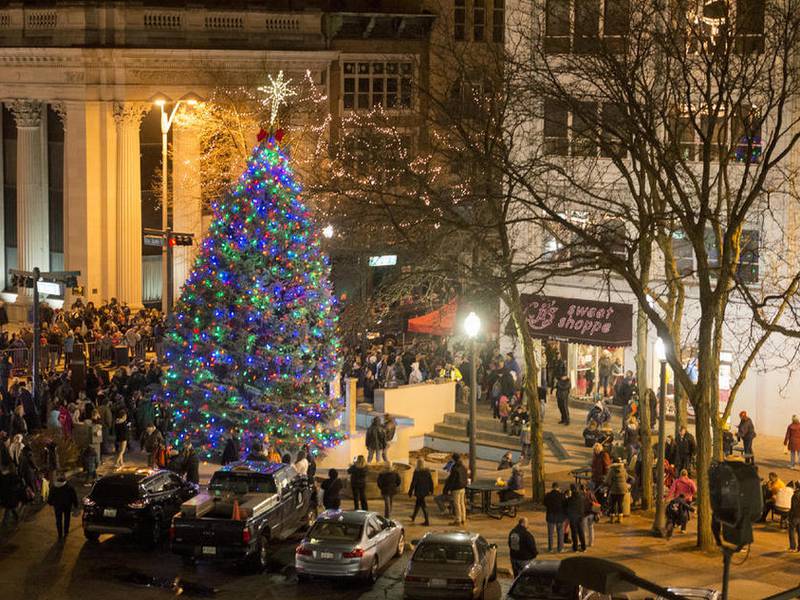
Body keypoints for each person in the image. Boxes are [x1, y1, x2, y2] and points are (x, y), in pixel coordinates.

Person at [48, 472, 79, 540]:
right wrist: (76, 505)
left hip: (57, 506)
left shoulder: (53, 487)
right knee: (67, 519)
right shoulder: (69, 487)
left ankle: (60, 534)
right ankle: (66, 532)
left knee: (58, 520)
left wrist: (52, 503)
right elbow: (74, 497)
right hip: (67, 506)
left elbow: (50, 499)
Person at [443, 453, 468, 526]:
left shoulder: (455, 468)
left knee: (457, 504)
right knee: (462, 503)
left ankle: (458, 520)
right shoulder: (463, 467)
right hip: (463, 488)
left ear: (454, 459)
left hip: (456, 488)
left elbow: (451, 480)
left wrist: (446, 489)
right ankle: (463, 519)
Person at [409, 458, 433, 525]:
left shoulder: (417, 472)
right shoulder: (427, 471)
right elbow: (431, 481)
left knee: (423, 505)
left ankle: (427, 521)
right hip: (425, 490)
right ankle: (413, 516)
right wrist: (431, 490)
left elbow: (413, 482)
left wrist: (410, 491)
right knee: (418, 503)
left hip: (419, 491)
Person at [544, 482, 565, 553]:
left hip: (550, 515)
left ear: (552, 487)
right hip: (560, 516)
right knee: (560, 533)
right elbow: (565, 504)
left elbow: (544, 503)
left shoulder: (548, 495)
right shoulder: (561, 495)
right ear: (558, 487)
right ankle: (560, 548)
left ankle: (550, 548)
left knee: (550, 533)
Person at [605, 458, 628, 523]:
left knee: (613, 504)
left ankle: (612, 519)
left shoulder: (612, 470)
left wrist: (607, 484)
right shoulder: (623, 469)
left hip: (614, 489)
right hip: (622, 489)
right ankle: (620, 519)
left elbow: (608, 480)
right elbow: (626, 477)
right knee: (620, 503)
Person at [565, 483, 587, 552]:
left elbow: (566, 506)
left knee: (574, 533)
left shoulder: (570, 499)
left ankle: (575, 547)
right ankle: (583, 547)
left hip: (573, 517)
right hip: (580, 517)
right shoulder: (581, 498)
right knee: (581, 532)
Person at [788, 485, 800, 552]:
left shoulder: (795, 495)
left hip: (795, 516)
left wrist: (790, 516)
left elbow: (794, 507)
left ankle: (792, 547)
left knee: (791, 531)